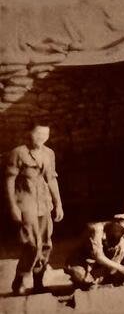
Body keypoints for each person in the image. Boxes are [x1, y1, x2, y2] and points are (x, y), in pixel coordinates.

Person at [5, 121, 64, 295]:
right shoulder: (18, 153)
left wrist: (58, 204)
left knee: (46, 244)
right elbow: (9, 181)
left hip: (44, 203)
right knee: (31, 244)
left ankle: (38, 282)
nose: (41, 138)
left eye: (45, 134)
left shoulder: (49, 153)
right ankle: (20, 279)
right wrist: (13, 206)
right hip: (26, 203)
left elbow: (51, 179)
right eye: (38, 134)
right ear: (29, 133)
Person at [64, 214, 124, 289]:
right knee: (80, 276)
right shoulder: (97, 229)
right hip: (82, 261)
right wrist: (122, 268)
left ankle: (102, 281)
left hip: (103, 267)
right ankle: (90, 283)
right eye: (122, 229)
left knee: (122, 275)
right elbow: (98, 256)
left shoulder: (123, 237)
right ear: (115, 225)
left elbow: (119, 259)